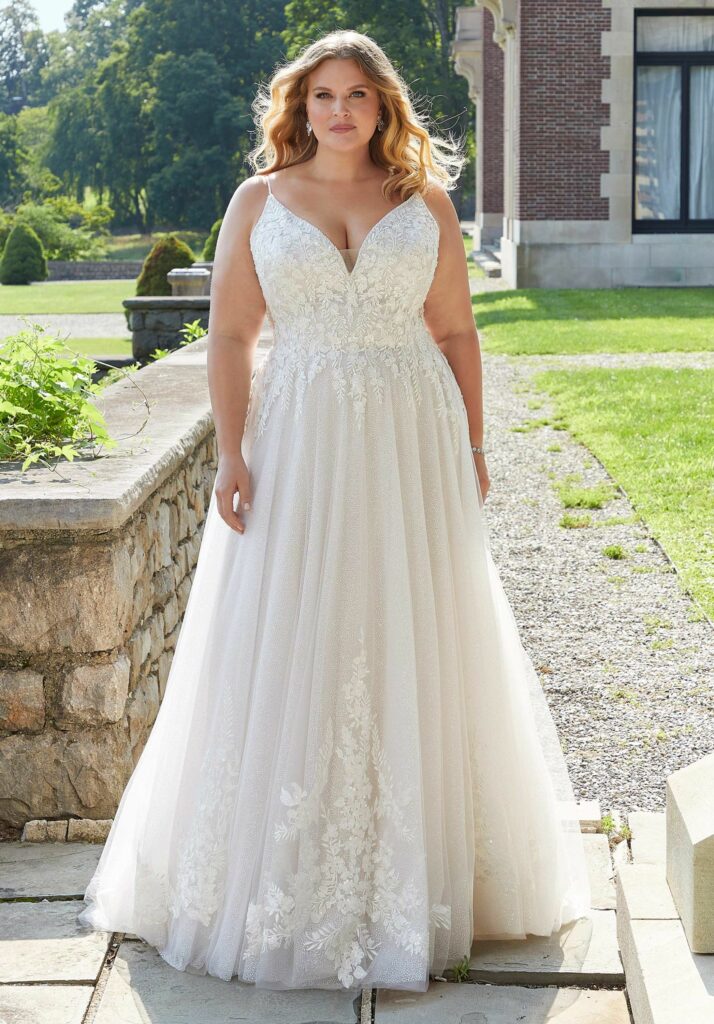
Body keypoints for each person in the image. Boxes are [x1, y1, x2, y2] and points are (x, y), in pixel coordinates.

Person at [77, 29, 591, 995]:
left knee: (417, 624)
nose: (341, 110)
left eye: (358, 93)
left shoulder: (422, 200)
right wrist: (231, 454)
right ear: (299, 107)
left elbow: (455, 331)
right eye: (323, 95)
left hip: (412, 435)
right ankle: (281, 877)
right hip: (302, 434)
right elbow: (230, 335)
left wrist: (474, 445)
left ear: (384, 105)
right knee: (293, 630)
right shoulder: (259, 201)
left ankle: (428, 878)